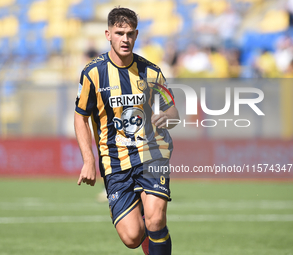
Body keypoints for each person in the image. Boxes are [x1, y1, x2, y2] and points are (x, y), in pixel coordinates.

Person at [74, 7, 179, 255]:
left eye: (130, 33)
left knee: (155, 221)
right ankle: (144, 217)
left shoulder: (152, 72)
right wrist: (88, 161)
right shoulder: (93, 73)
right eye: (120, 33)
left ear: (136, 34)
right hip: (114, 160)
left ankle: (153, 221)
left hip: (152, 153)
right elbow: (81, 118)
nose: (125, 39)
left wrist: (167, 117)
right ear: (108, 34)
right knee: (132, 237)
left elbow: (173, 111)